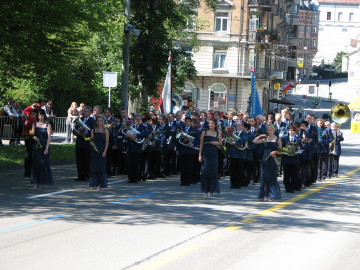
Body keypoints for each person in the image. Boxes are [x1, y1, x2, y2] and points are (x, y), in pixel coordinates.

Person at [253, 124, 282, 201]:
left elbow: (281, 151)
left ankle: (271, 195)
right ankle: (265, 195)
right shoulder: (265, 139)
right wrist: (261, 136)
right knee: (264, 178)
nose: (269, 131)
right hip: (265, 160)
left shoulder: (277, 139)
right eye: (268, 130)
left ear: (273, 130)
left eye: (270, 130)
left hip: (273, 160)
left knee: (272, 178)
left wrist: (275, 151)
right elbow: (254, 141)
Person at [198, 119, 222, 197]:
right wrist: (200, 155)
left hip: (214, 154)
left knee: (213, 172)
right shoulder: (204, 132)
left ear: (215, 125)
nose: (210, 125)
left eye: (212, 123)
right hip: (205, 153)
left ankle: (212, 190)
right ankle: (206, 190)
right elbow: (201, 144)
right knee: (205, 171)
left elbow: (220, 147)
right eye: (209, 123)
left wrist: (216, 143)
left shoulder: (218, 133)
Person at [31, 109, 53, 188]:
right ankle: (36, 181)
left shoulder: (48, 125)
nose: (41, 116)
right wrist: (34, 137)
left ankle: (42, 181)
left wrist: (47, 148)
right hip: (36, 147)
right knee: (36, 164)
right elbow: (32, 134)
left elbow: (49, 138)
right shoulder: (34, 124)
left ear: (44, 115)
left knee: (43, 164)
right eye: (39, 115)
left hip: (44, 146)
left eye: (42, 115)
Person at [74, 106, 95, 181]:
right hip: (79, 142)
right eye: (84, 111)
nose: (84, 113)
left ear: (90, 113)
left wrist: (85, 134)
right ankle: (80, 175)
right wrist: (77, 132)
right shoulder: (80, 119)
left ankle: (87, 175)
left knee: (87, 160)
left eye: (86, 111)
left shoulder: (93, 121)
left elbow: (92, 131)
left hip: (87, 142)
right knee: (79, 160)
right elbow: (74, 128)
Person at [89, 116, 109, 190]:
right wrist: (91, 143)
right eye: (98, 121)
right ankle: (94, 184)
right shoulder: (93, 130)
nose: (99, 122)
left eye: (101, 121)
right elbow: (91, 139)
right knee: (94, 168)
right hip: (95, 151)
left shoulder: (105, 130)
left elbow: (107, 142)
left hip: (102, 150)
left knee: (101, 168)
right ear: (96, 122)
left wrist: (105, 151)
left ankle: (101, 184)